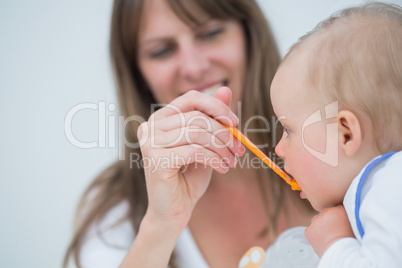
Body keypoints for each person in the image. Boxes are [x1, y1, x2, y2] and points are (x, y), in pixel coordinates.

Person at [63, 0, 316, 267]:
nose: (194, 68)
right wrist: (161, 225)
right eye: (161, 51)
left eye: (210, 33)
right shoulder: (114, 218)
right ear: (137, 74)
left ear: (249, 34)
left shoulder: (338, 141)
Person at [270, 2, 402, 267]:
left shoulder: (389, 188)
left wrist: (334, 245)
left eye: (288, 130)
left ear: (345, 135)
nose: (278, 149)